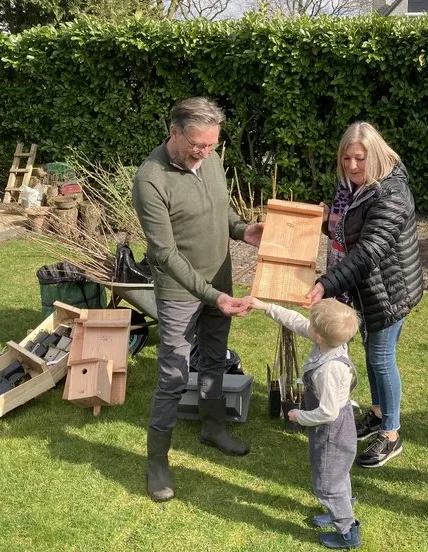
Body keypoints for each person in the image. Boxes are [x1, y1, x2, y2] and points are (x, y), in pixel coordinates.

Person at [132, 97, 263, 502]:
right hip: (179, 293)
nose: (205, 153)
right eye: (198, 146)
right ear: (174, 132)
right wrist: (214, 296)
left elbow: (220, 213)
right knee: (172, 374)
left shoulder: (211, 160)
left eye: (211, 146)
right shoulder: (150, 179)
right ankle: (157, 462)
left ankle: (212, 427)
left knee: (213, 357)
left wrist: (244, 231)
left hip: (217, 285)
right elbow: (164, 254)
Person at [307, 122, 423, 469]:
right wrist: (328, 221)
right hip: (370, 288)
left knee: (380, 358)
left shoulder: (391, 194)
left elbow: (369, 250)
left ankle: (391, 434)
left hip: (389, 291)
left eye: (360, 159)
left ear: (375, 156)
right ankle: (376, 414)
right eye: (346, 159)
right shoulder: (356, 190)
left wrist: (327, 284)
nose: (353, 166)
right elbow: (351, 230)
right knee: (374, 353)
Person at [247, 296, 362, 549]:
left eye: (312, 326)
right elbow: (296, 321)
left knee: (326, 483)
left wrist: (300, 417)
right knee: (337, 473)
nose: (306, 325)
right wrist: (265, 306)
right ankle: (340, 508)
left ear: (319, 336)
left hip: (331, 429)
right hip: (337, 426)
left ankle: (347, 530)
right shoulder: (331, 343)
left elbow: (328, 412)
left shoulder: (328, 370)